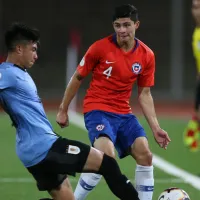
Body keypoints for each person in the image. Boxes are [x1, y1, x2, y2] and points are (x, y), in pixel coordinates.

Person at [0, 22, 140, 200]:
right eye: (33, 49)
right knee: (108, 164)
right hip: (44, 147)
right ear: (19, 49)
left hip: (31, 151)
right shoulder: (7, 74)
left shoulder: (18, 73)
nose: (36, 55)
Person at [56, 4, 171, 200]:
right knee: (106, 155)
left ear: (137, 24)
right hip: (97, 109)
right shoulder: (99, 48)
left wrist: (155, 128)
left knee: (145, 154)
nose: (122, 30)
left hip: (123, 113)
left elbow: (144, 94)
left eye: (126, 25)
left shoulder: (146, 55)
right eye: (117, 25)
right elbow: (77, 77)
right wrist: (63, 109)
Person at [184, 0, 200, 151]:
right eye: (195, 7)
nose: (197, 11)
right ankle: (190, 134)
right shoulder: (196, 33)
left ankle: (190, 134)